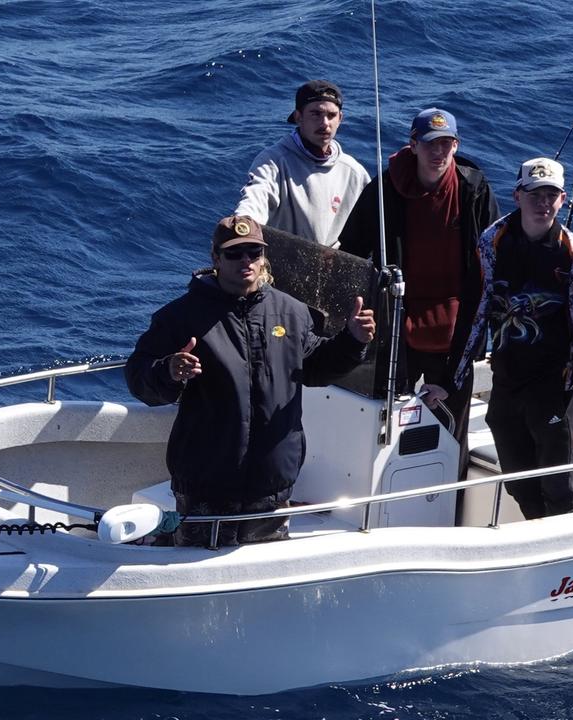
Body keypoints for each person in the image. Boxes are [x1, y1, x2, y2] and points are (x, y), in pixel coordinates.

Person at [125, 215, 375, 546]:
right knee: (194, 573)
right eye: (234, 253)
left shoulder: (292, 312)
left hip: (270, 488)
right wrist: (168, 371)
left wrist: (352, 341)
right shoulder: (180, 317)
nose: (246, 260)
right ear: (215, 259)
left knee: (260, 572)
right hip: (206, 487)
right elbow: (138, 375)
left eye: (254, 252)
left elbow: (316, 368)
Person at [339, 107, 498, 473]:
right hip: (395, 329)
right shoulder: (384, 188)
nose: (438, 152)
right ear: (413, 145)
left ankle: (448, 502)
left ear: (456, 146)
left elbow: (492, 265)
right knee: (386, 422)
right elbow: (350, 252)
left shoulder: (474, 190)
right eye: (429, 144)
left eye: (446, 143)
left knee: (452, 429)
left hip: (456, 332)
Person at [453, 157, 573, 519]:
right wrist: (450, 379)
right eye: (535, 194)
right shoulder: (493, 241)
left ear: (563, 199)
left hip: (556, 388)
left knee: (558, 488)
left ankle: (560, 560)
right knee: (518, 482)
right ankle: (535, 535)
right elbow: (473, 312)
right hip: (507, 382)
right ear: (517, 195)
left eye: (551, 195)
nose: (543, 203)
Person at [234, 79, 370, 247]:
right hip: (282, 267)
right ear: (299, 117)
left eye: (331, 115)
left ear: (340, 118)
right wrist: (244, 224)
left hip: (335, 269)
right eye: (316, 114)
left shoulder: (354, 172)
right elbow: (255, 198)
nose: (325, 123)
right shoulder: (273, 162)